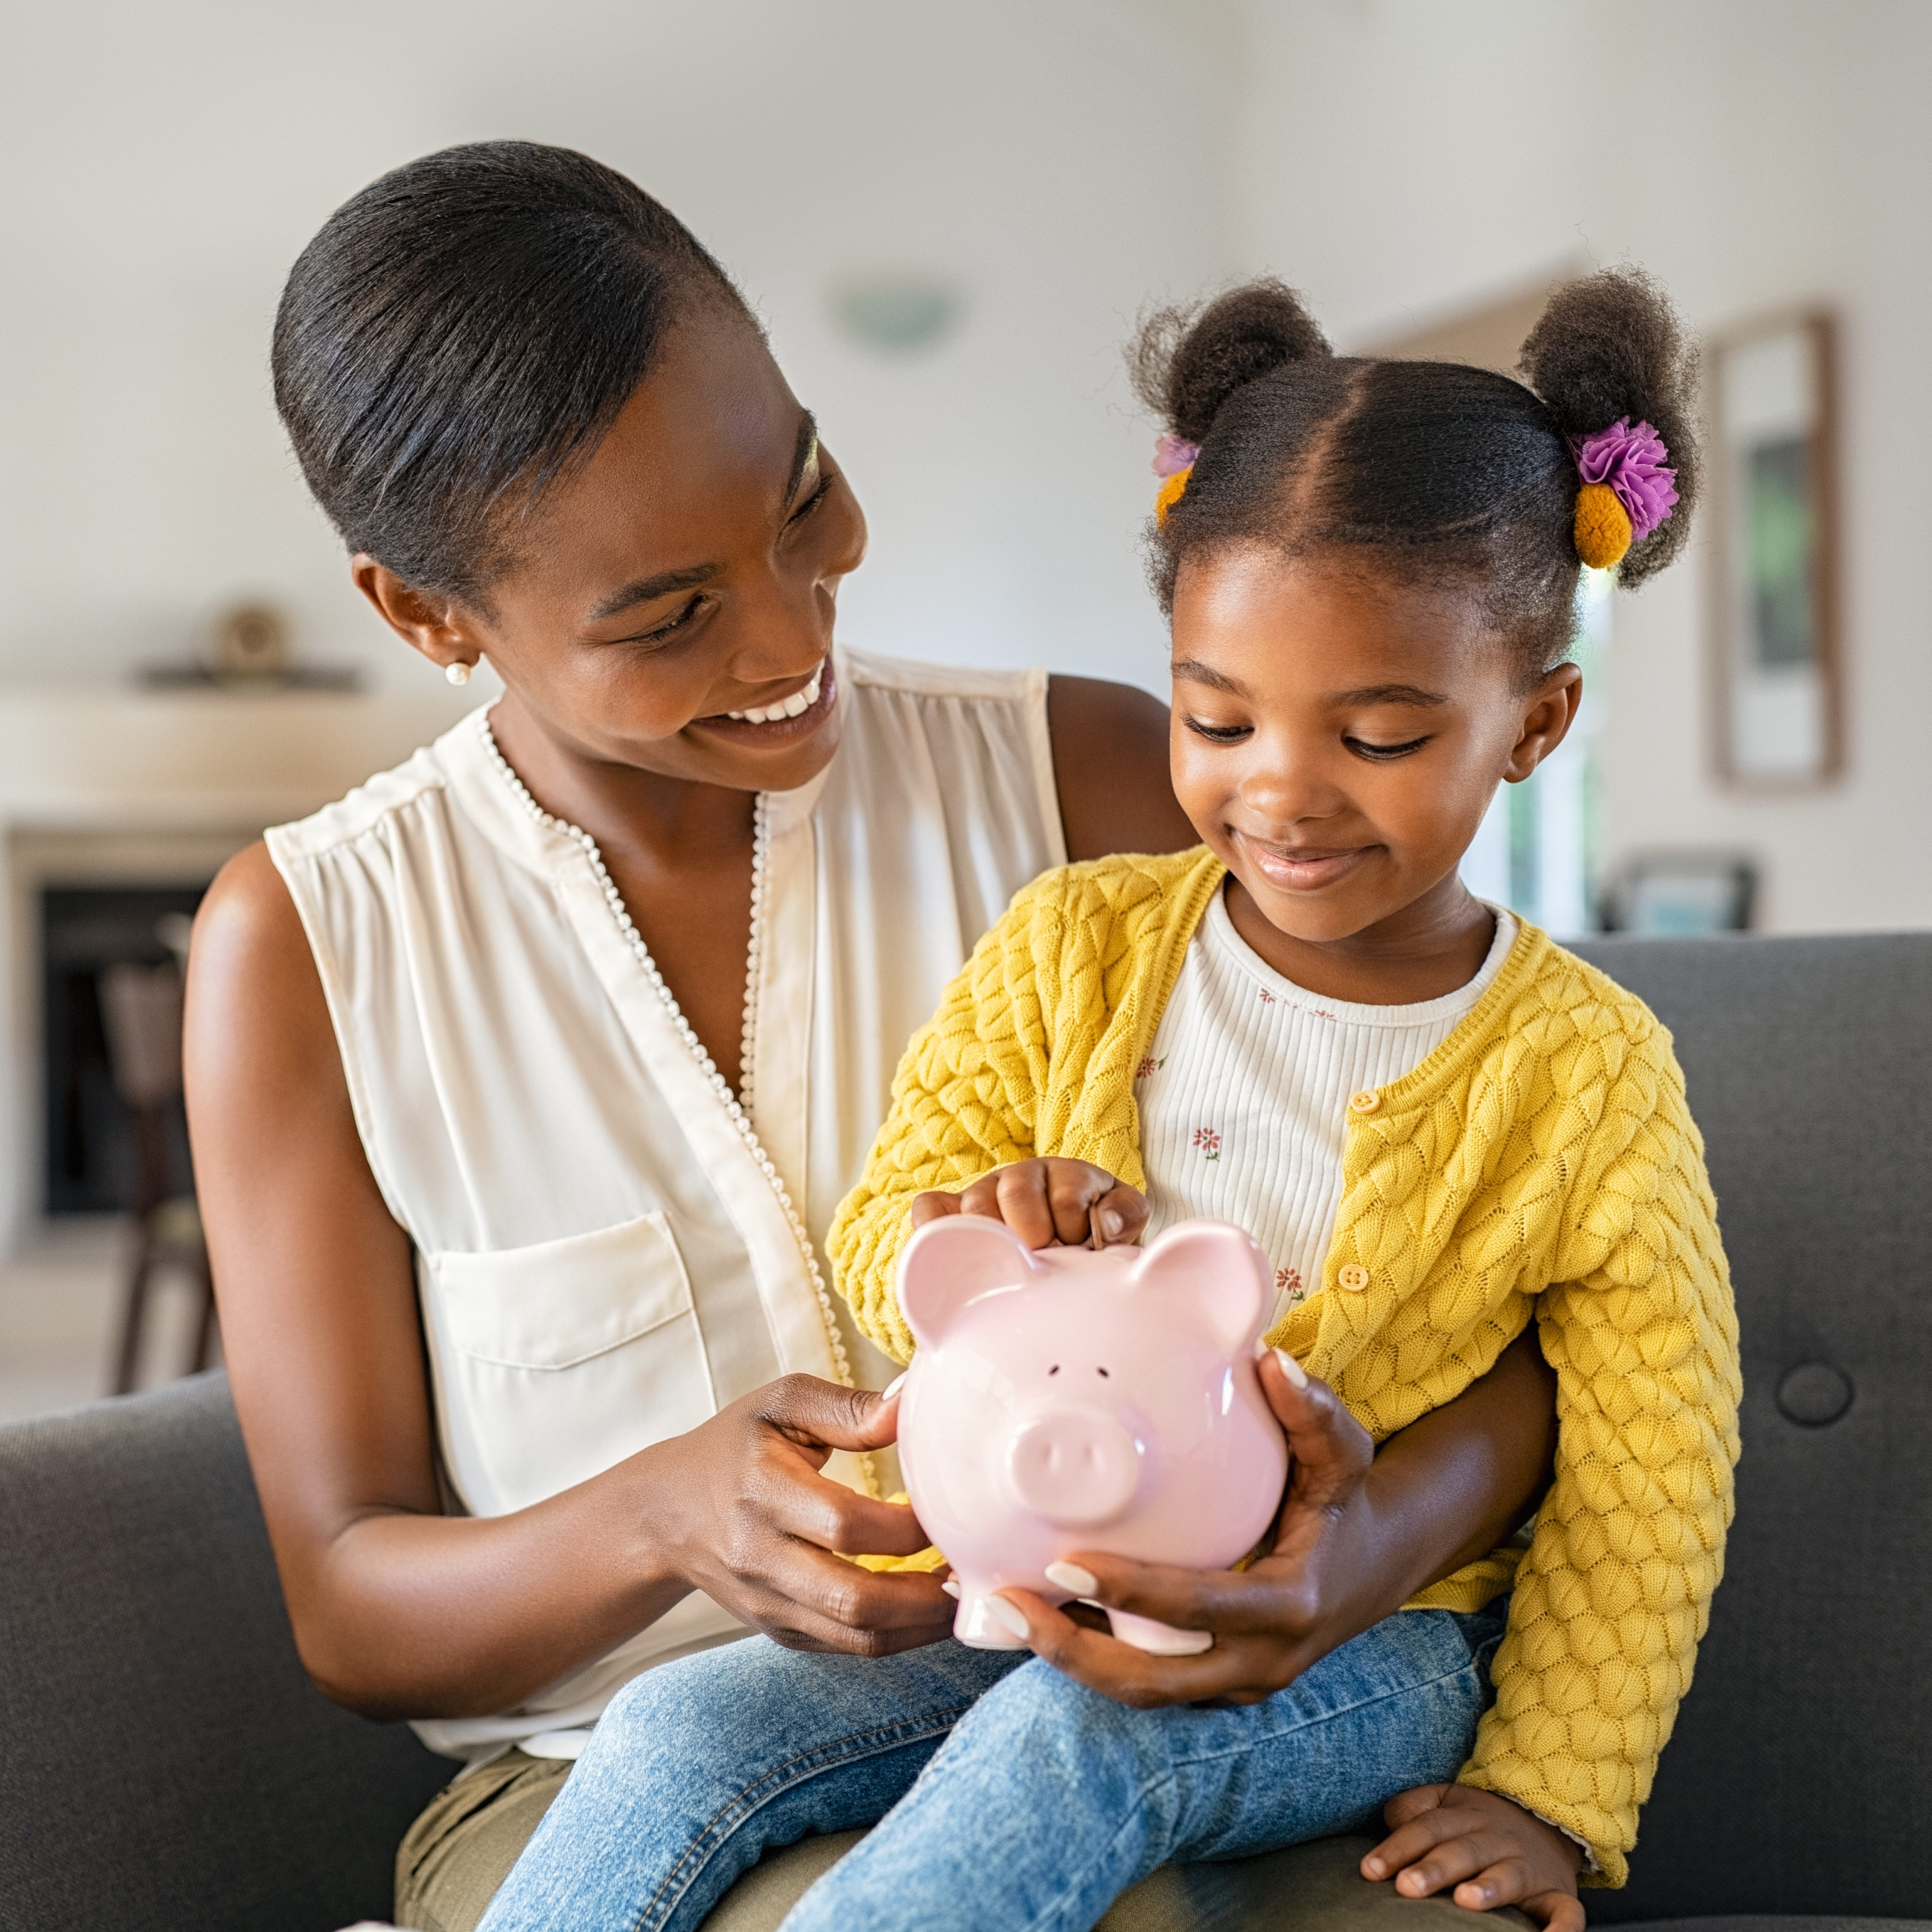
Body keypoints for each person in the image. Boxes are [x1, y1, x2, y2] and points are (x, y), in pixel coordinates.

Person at [184, 142, 1560, 1932]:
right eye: (670, 615)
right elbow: (352, 1608)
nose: (790, 628)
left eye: (804, 493)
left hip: (1151, 1698)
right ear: (426, 615)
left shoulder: (1095, 783)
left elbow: (1535, 1268)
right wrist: (658, 1520)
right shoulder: (310, 944)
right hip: (607, 1789)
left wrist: (1359, 1554)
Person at [475, 271, 1740, 1932]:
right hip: (1014, 1584)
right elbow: (889, 1229)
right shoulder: (1078, 945)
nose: (1278, 790)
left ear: (1534, 721)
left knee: (1071, 1749)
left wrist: (1550, 1802)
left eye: (1375, 736)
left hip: (1381, 1640)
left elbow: (1657, 1471)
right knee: (689, 1722)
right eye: (1218, 719)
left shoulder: (1588, 1074)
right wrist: (975, 1222)